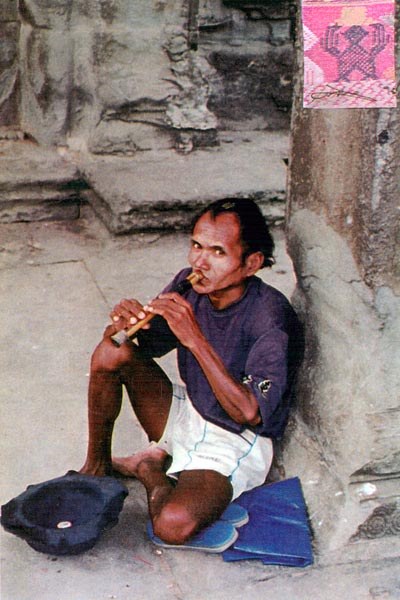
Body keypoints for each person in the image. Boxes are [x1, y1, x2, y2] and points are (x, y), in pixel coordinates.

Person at [79, 198, 302, 550]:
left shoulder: (270, 318)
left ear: (251, 263)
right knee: (111, 352)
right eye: (197, 245)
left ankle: (151, 470)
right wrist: (123, 326)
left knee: (171, 525)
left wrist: (194, 338)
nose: (200, 261)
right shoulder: (190, 284)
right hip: (191, 410)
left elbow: (249, 412)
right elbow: (147, 346)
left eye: (218, 252)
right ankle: (97, 465)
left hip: (234, 439)